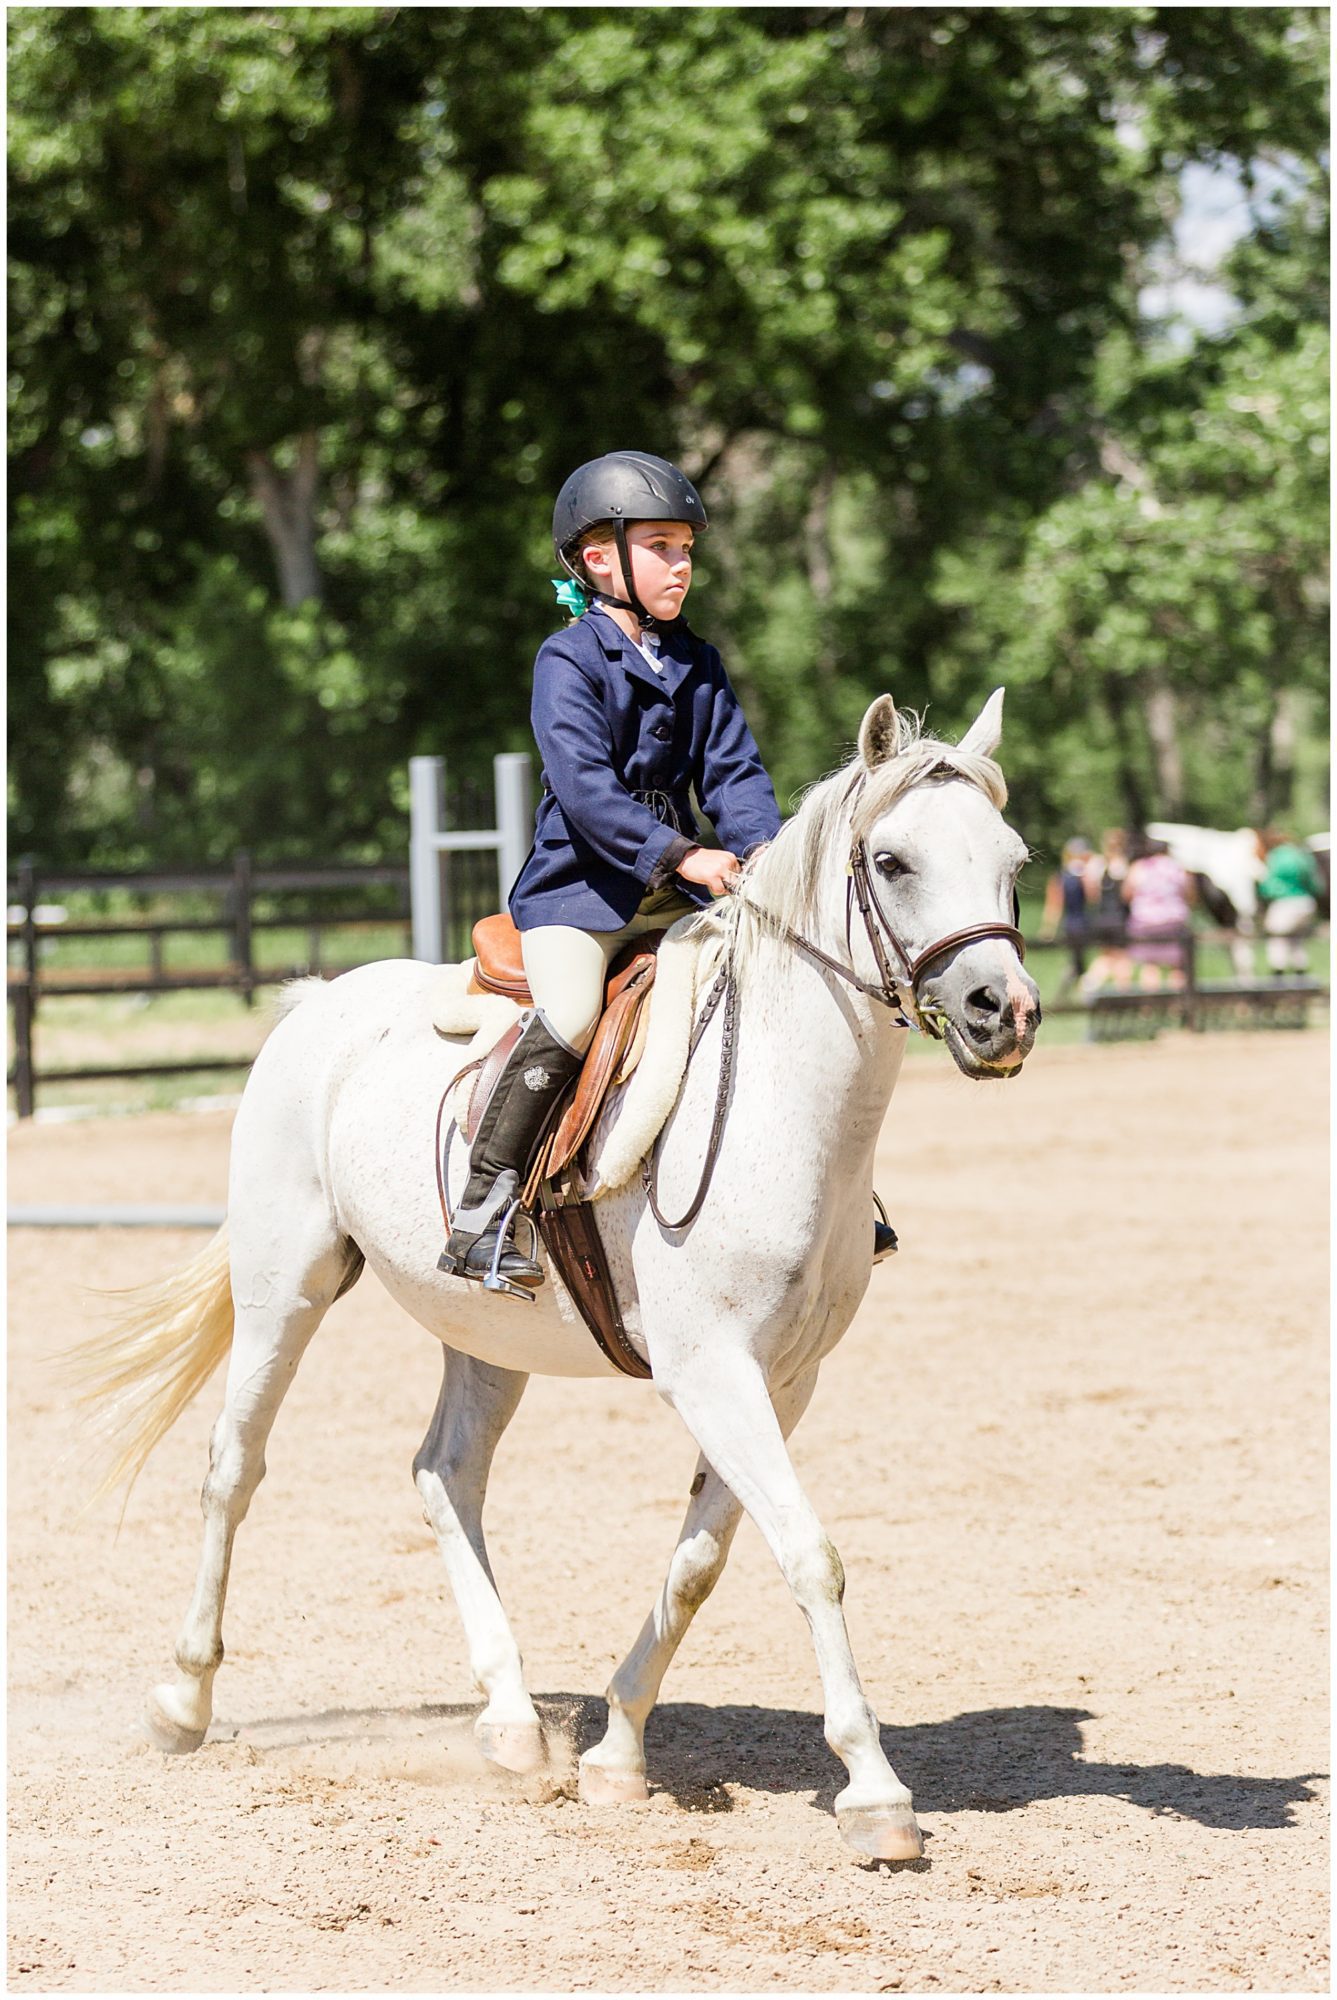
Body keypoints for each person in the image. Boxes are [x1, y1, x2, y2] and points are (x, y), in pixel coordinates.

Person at [440, 450, 900, 1293]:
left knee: (769, 992)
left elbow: (732, 775)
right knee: (575, 1012)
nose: (681, 564)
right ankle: (484, 1206)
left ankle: (830, 1195)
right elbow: (583, 789)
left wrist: (764, 852)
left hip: (677, 892)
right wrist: (680, 853)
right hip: (580, 892)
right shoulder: (566, 660)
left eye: (686, 547)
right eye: (660, 546)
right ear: (597, 558)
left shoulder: (697, 661)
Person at [1122, 836, 1193, 992]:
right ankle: (1177, 1006)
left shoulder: (1139, 867)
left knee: (1150, 965)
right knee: (1177, 966)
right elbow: (1190, 894)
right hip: (1173, 921)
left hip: (1145, 921)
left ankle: (1150, 1006)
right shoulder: (1177, 867)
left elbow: (1126, 893)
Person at [1256, 829, 1324, 975]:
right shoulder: (1301, 855)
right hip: (1306, 902)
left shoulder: (1276, 857)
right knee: (1297, 940)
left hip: (1285, 903)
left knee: (1276, 938)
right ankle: (1301, 976)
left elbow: (1268, 885)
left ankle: (1278, 977)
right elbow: (1315, 883)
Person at [1078, 828, 1133, 996]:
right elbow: (1128, 895)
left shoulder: (1096, 864)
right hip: (1119, 918)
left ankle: (1089, 984)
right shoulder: (1124, 865)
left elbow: (1090, 894)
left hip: (1100, 917)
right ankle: (1122, 996)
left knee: (1106, 957)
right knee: (1122, 959)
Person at [1039, 837, 1093, 995]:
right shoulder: (1083, 875)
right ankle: (1076, 991)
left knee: (1077, 960)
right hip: (1082, 922)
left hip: (1071, 923)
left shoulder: (1061, 876)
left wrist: (1048, 928)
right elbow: (1092, 898)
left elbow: (1054, 905)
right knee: (1078, 961)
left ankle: (1071, 991)